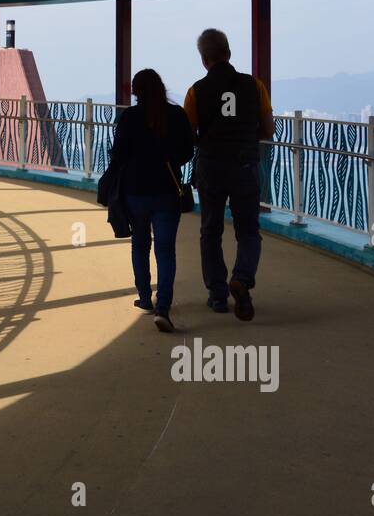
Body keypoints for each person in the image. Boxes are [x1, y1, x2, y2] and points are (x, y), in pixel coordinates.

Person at [182, 29, 275, 321]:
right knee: (248, 231)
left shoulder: (196, 91)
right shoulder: (254, 85)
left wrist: (206, 139)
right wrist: (247, 138)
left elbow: (188, 133)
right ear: (229, 53)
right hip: (245, 166)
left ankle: (217, 295)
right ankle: (242, 279)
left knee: (210, 231)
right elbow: (268, 129)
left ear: (204, 59)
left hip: (211, 167)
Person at [108, 68, 194, 332]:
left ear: (135, 91)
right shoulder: (177, 115)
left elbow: (118, 154)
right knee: (165, 250)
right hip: (167, 190)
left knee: (140, 244)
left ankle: (145, 299)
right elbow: (187, 151)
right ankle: (163, 307)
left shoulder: (129, 117)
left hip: (134, 191)